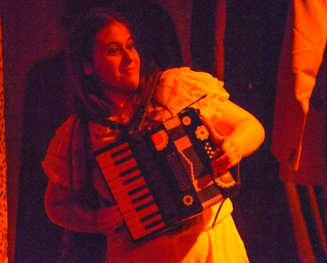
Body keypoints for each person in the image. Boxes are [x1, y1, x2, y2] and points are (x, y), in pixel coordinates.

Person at [42, 8, 265, 263]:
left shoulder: (174, 90)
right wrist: (95, 220)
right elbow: (56, 205)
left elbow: (250, 125)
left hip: (212, 248)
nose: (129, 58)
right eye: (114, 50)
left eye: (130, 46)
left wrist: (234, 145)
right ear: (88, 66)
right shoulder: (81, 133)